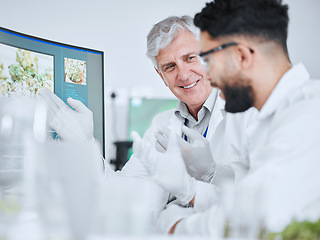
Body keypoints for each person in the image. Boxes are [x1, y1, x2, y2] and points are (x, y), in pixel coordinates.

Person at [39, 15, 254, 221]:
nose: (184, 74)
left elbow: (270, 194)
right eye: (170, 67)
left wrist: (213, 173)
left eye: (190, 58)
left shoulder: (250, 112)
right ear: (161, 76)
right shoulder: (161, 125)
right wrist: (84, 143)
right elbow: (120, 195)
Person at [147, 0, 320, 237]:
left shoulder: (309, 113)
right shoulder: (273, 115)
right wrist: (190, 193)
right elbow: (249, 198)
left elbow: (258, 217)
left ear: (241, 56)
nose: (209, 76)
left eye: (208, 59)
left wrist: (175, 227)